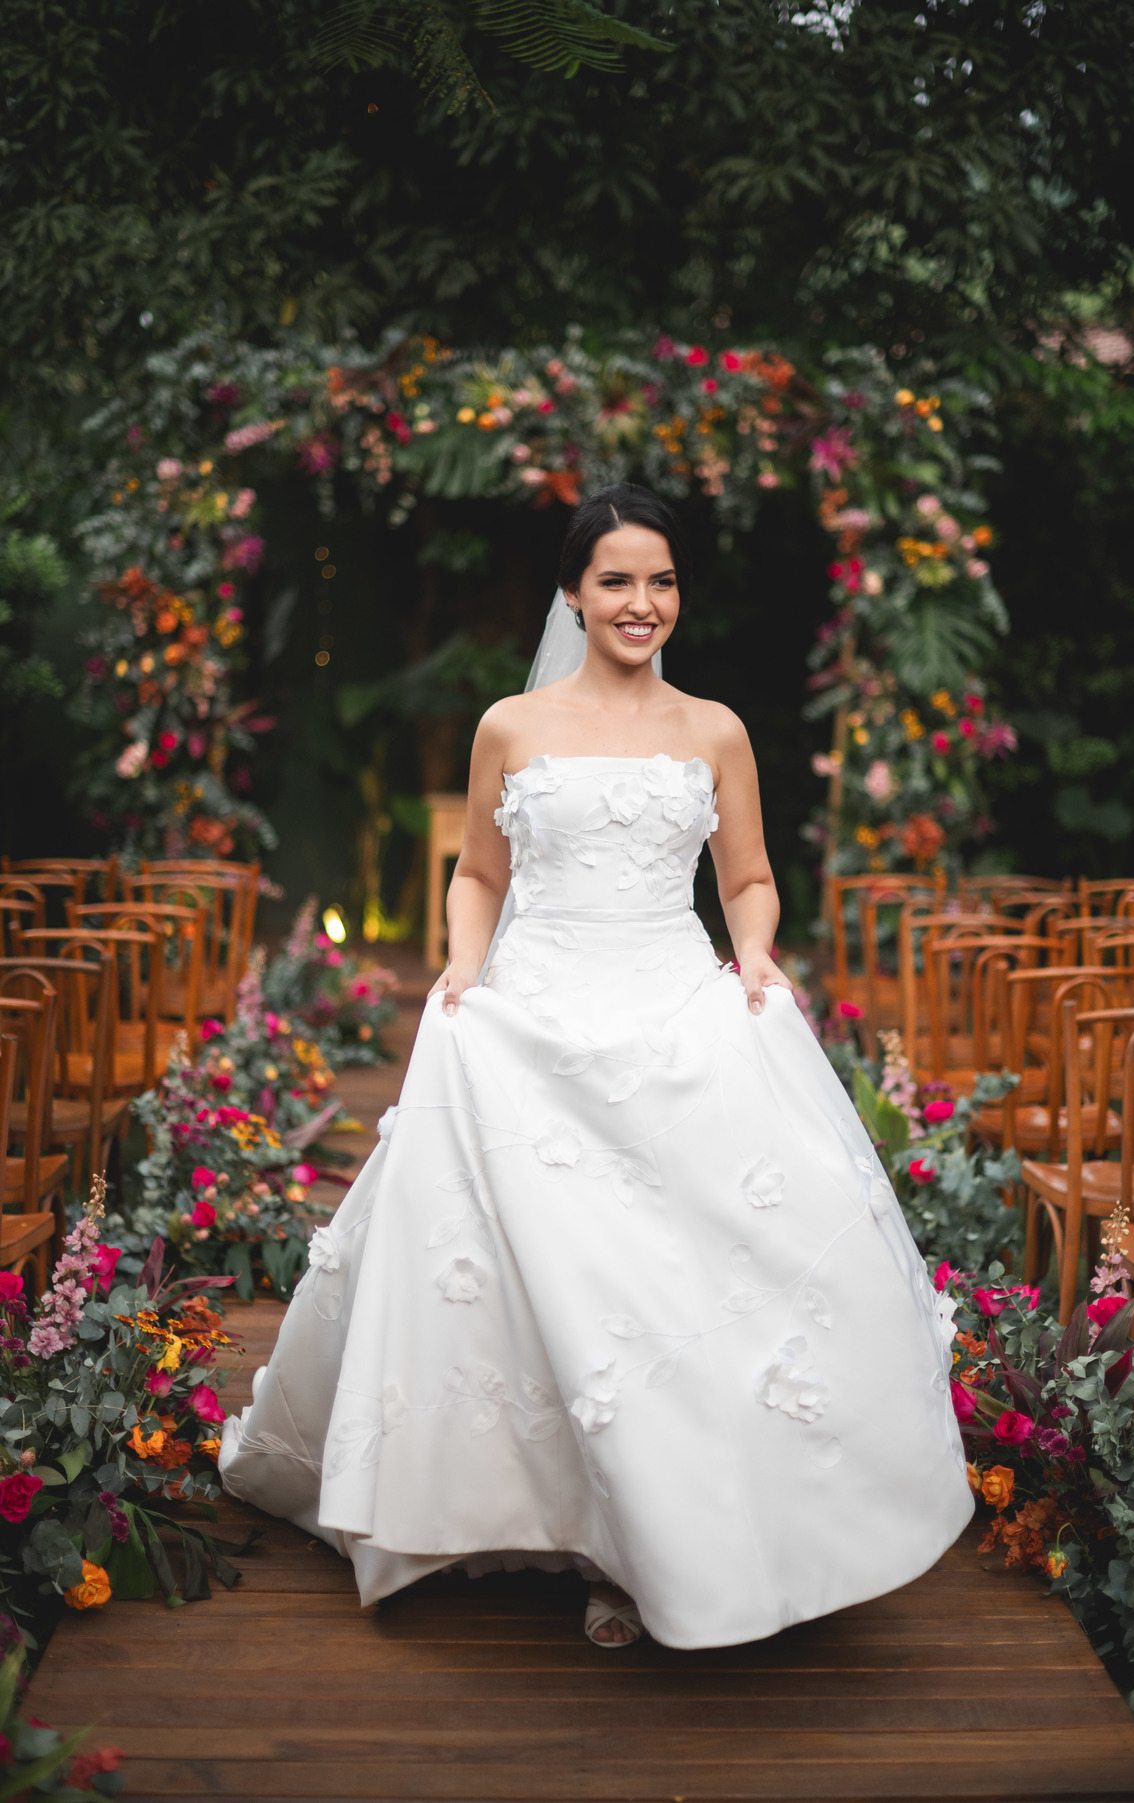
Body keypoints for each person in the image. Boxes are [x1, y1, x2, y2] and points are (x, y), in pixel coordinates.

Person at [220, 481, 973, 1650]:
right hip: (537, 1011)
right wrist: (466, 971)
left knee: (676, 1274)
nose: (641, 602)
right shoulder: (510, 728)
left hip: (672, 999)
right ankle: (523, 1506)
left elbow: (749, 878)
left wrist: (758, 954)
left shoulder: (715, 729)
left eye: (661, 580)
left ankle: (679, 1525)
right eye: (616, 580)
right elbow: (478, 874)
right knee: (535, 1267)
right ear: (574, 594)